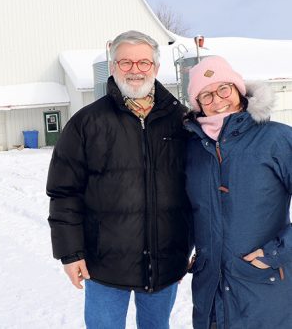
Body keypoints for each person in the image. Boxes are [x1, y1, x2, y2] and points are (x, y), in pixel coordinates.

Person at [46, 30, 192, 329]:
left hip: (165, 261)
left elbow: (199, 187)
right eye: (125, 62)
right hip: (103, 263)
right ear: (113, 67)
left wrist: (193, 245)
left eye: (143, 62)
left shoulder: (181, 120)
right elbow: (64, 192)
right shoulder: (87, 122)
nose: (135, 70)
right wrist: (70, 253)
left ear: (156, 67)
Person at [184, 55, 292, 329]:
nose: (217, 100)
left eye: (223, 89)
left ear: (239, 90)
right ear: (198, 105)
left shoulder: (277, 139)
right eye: (205, 95)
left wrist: (277, 252)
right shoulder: (192, 149)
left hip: (264, 290)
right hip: (210, 294)